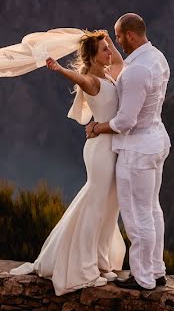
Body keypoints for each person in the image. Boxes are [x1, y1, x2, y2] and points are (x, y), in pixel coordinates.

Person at [8, 30, 127, 295]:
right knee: (96, 206)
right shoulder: (93, 80)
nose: (110, 52)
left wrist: (106, 38)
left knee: (109, 205)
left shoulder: (109, 72)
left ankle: (101, 261)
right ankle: (83, 269)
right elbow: (79, 78)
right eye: (104, 50)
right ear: (94, 58)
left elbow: (119, 61)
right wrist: (59, 68)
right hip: (100, 151)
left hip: (112, 148)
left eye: (109, 48)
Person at [85, 13, 171, 291]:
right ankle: (156, 270)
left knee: (137, 216)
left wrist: (97, 128)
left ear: (130, 36)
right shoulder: (157, 57)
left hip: (137, 151)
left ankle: (143, 277)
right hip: (156, 140)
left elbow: (125, 122)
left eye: (119, 36)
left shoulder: (136, 71)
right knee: (153, 211)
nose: (117, 42)